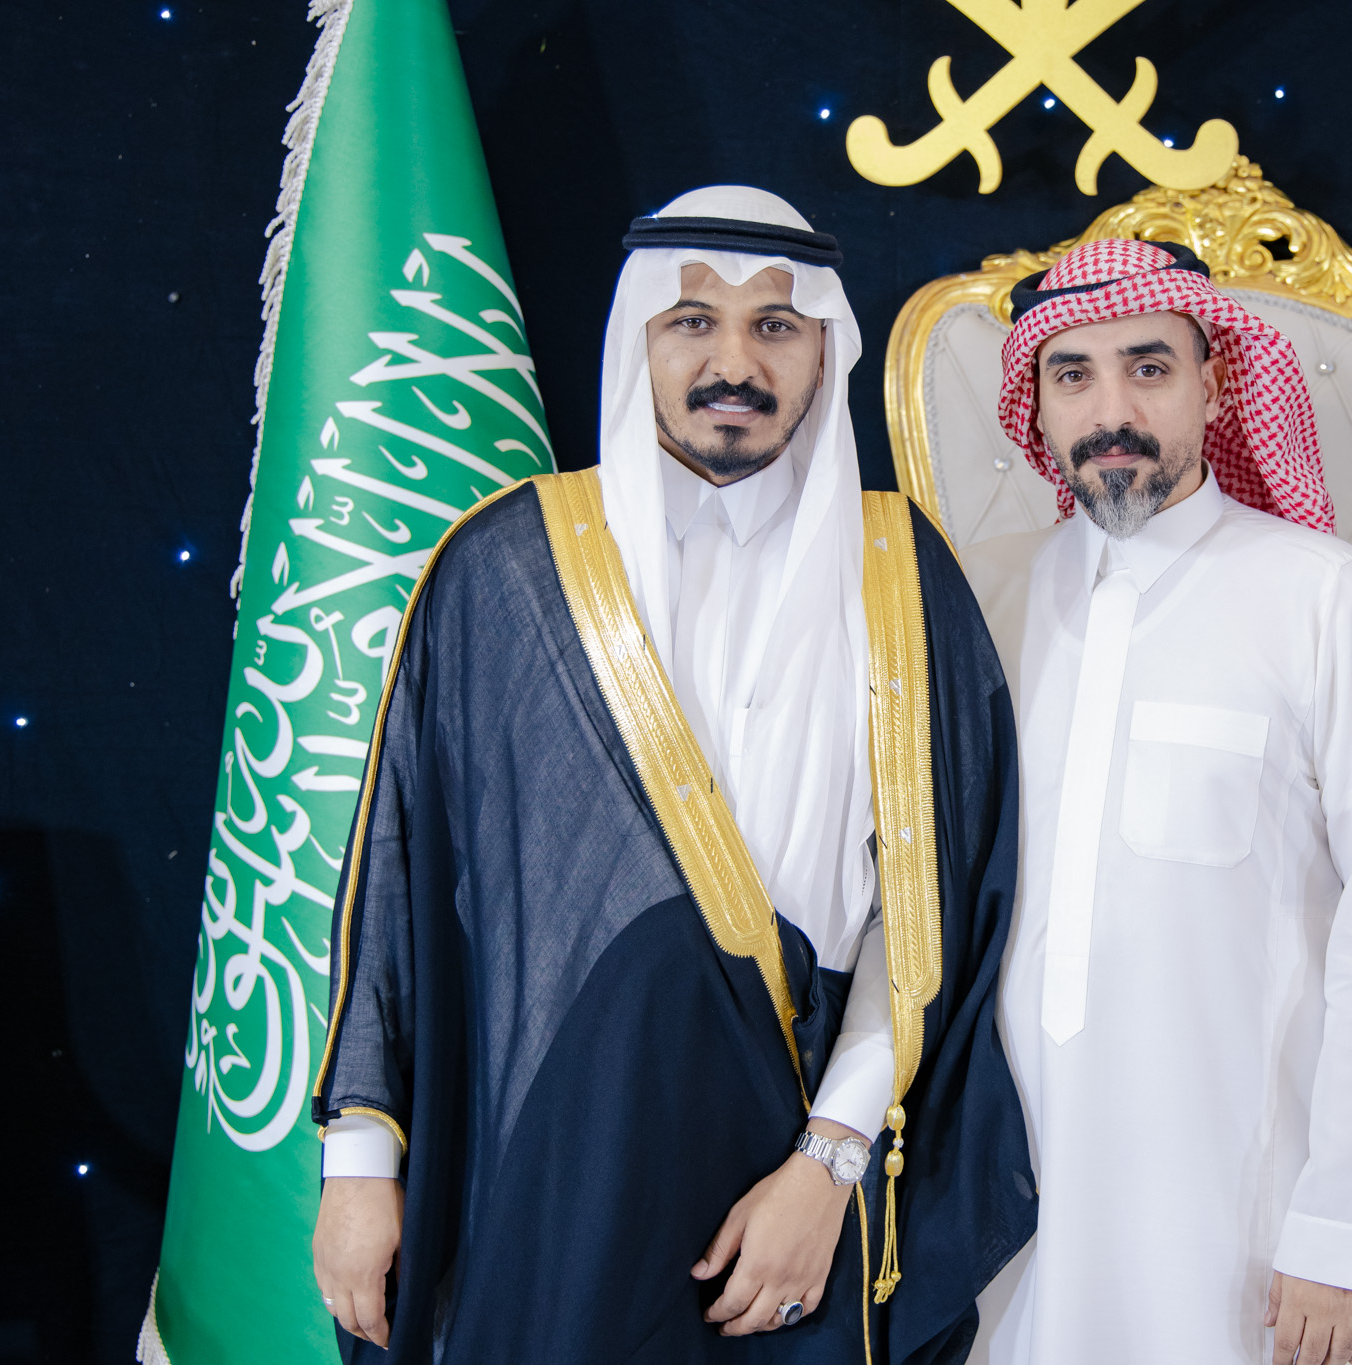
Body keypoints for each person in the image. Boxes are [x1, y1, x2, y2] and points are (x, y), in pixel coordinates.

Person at [309, 186, 1034, 1364]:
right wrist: (356, 1167)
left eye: (774, 326)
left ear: (824, 350)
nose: (732, 362)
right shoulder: (504, 565)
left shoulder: (904, 575)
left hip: (796, 1150)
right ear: (635, 338)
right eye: (691, 321)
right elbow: (396, 876)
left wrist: (828, 1166)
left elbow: (931, 918)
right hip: (562, 1166)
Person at [962, 238, 1352, 1365]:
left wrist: (1342, 1234)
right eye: (1073, 376)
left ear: (1216, 384)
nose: (1111, 412)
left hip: (1239, 1226)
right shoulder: (984, 597)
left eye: (1149, 367)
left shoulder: (1324, 599)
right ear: (1035, 405)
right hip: (999, 1202)